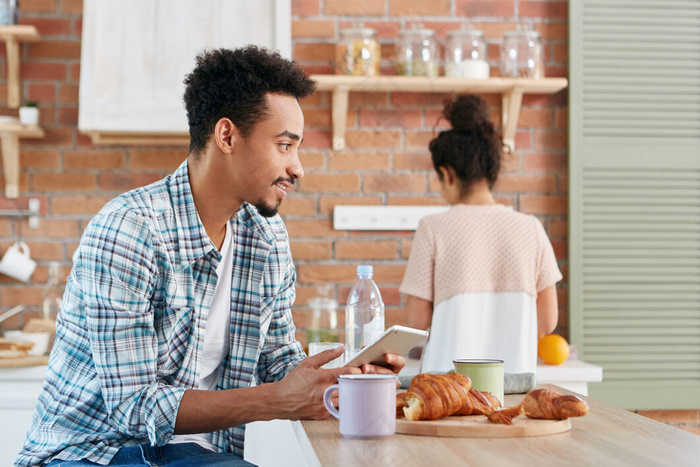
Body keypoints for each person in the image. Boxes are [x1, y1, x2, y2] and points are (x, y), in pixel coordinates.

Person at [16, 46, 404, 467]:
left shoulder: (266, 236)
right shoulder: (129, 231)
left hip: (191, 455)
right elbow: (133, 407)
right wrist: (279, 400)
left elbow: (278, 360)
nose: (298, 167)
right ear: (227, 136)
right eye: (284, 145)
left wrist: (346, 380)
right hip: (90, 454)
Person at [400, 94, 561, 376]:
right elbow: (547, 322)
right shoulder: (531, 228)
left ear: (446, 174)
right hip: (511, 389)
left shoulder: (433, 227)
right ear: (490, 171)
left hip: (446, 390)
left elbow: (416, 321)